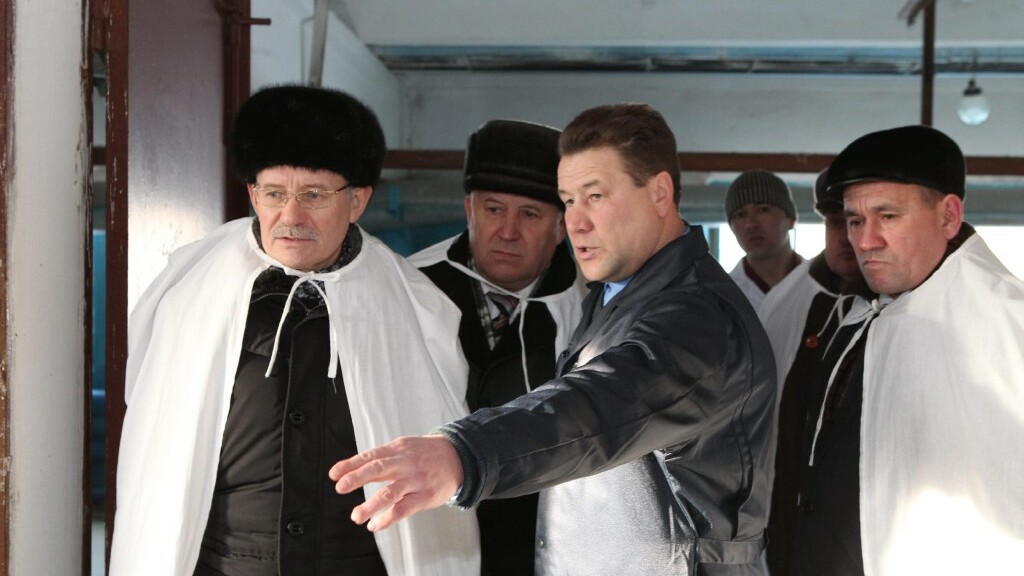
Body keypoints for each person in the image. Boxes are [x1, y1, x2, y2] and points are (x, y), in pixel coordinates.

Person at [330, 102, 777, 576]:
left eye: (595, 196)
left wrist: (463, 454)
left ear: (660, 193)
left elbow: (602, 403)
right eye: (569, 200)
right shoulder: (616, 295)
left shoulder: (696, 315)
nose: (577, 222)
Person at [110, 85, 479, 576]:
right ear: (252, 194)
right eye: (274, 194)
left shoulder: (414, 307)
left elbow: (439, 468)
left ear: (358, 200)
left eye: (314, 195)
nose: (291, 217)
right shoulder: (189, 292)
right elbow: (155, 454)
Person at [790, 125, 1024, 576]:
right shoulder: (860, 315)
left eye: (888, 216)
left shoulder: (1008, 319)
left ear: (948, 216)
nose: (865, 241)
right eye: (855, 221)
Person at [409, 119, 586, 575]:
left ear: (561, 227)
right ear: (469, 209)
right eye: (493, 210)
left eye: (530, 214)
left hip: (540, 546)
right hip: (424, 538)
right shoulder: (409, 288)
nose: (508, 232)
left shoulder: (589, 310)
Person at [757, 170, 872, 576]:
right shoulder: (786, 300)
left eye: (856, 223)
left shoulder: (904, 306)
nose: (846, 237)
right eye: (836, 223)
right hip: (783, 514)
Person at [725, 170, 804, 310]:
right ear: (731, 227)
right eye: (740, 214)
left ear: (790, 219)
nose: (751, 224)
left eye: (762, 210)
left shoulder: (824, 283)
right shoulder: (723, 296)